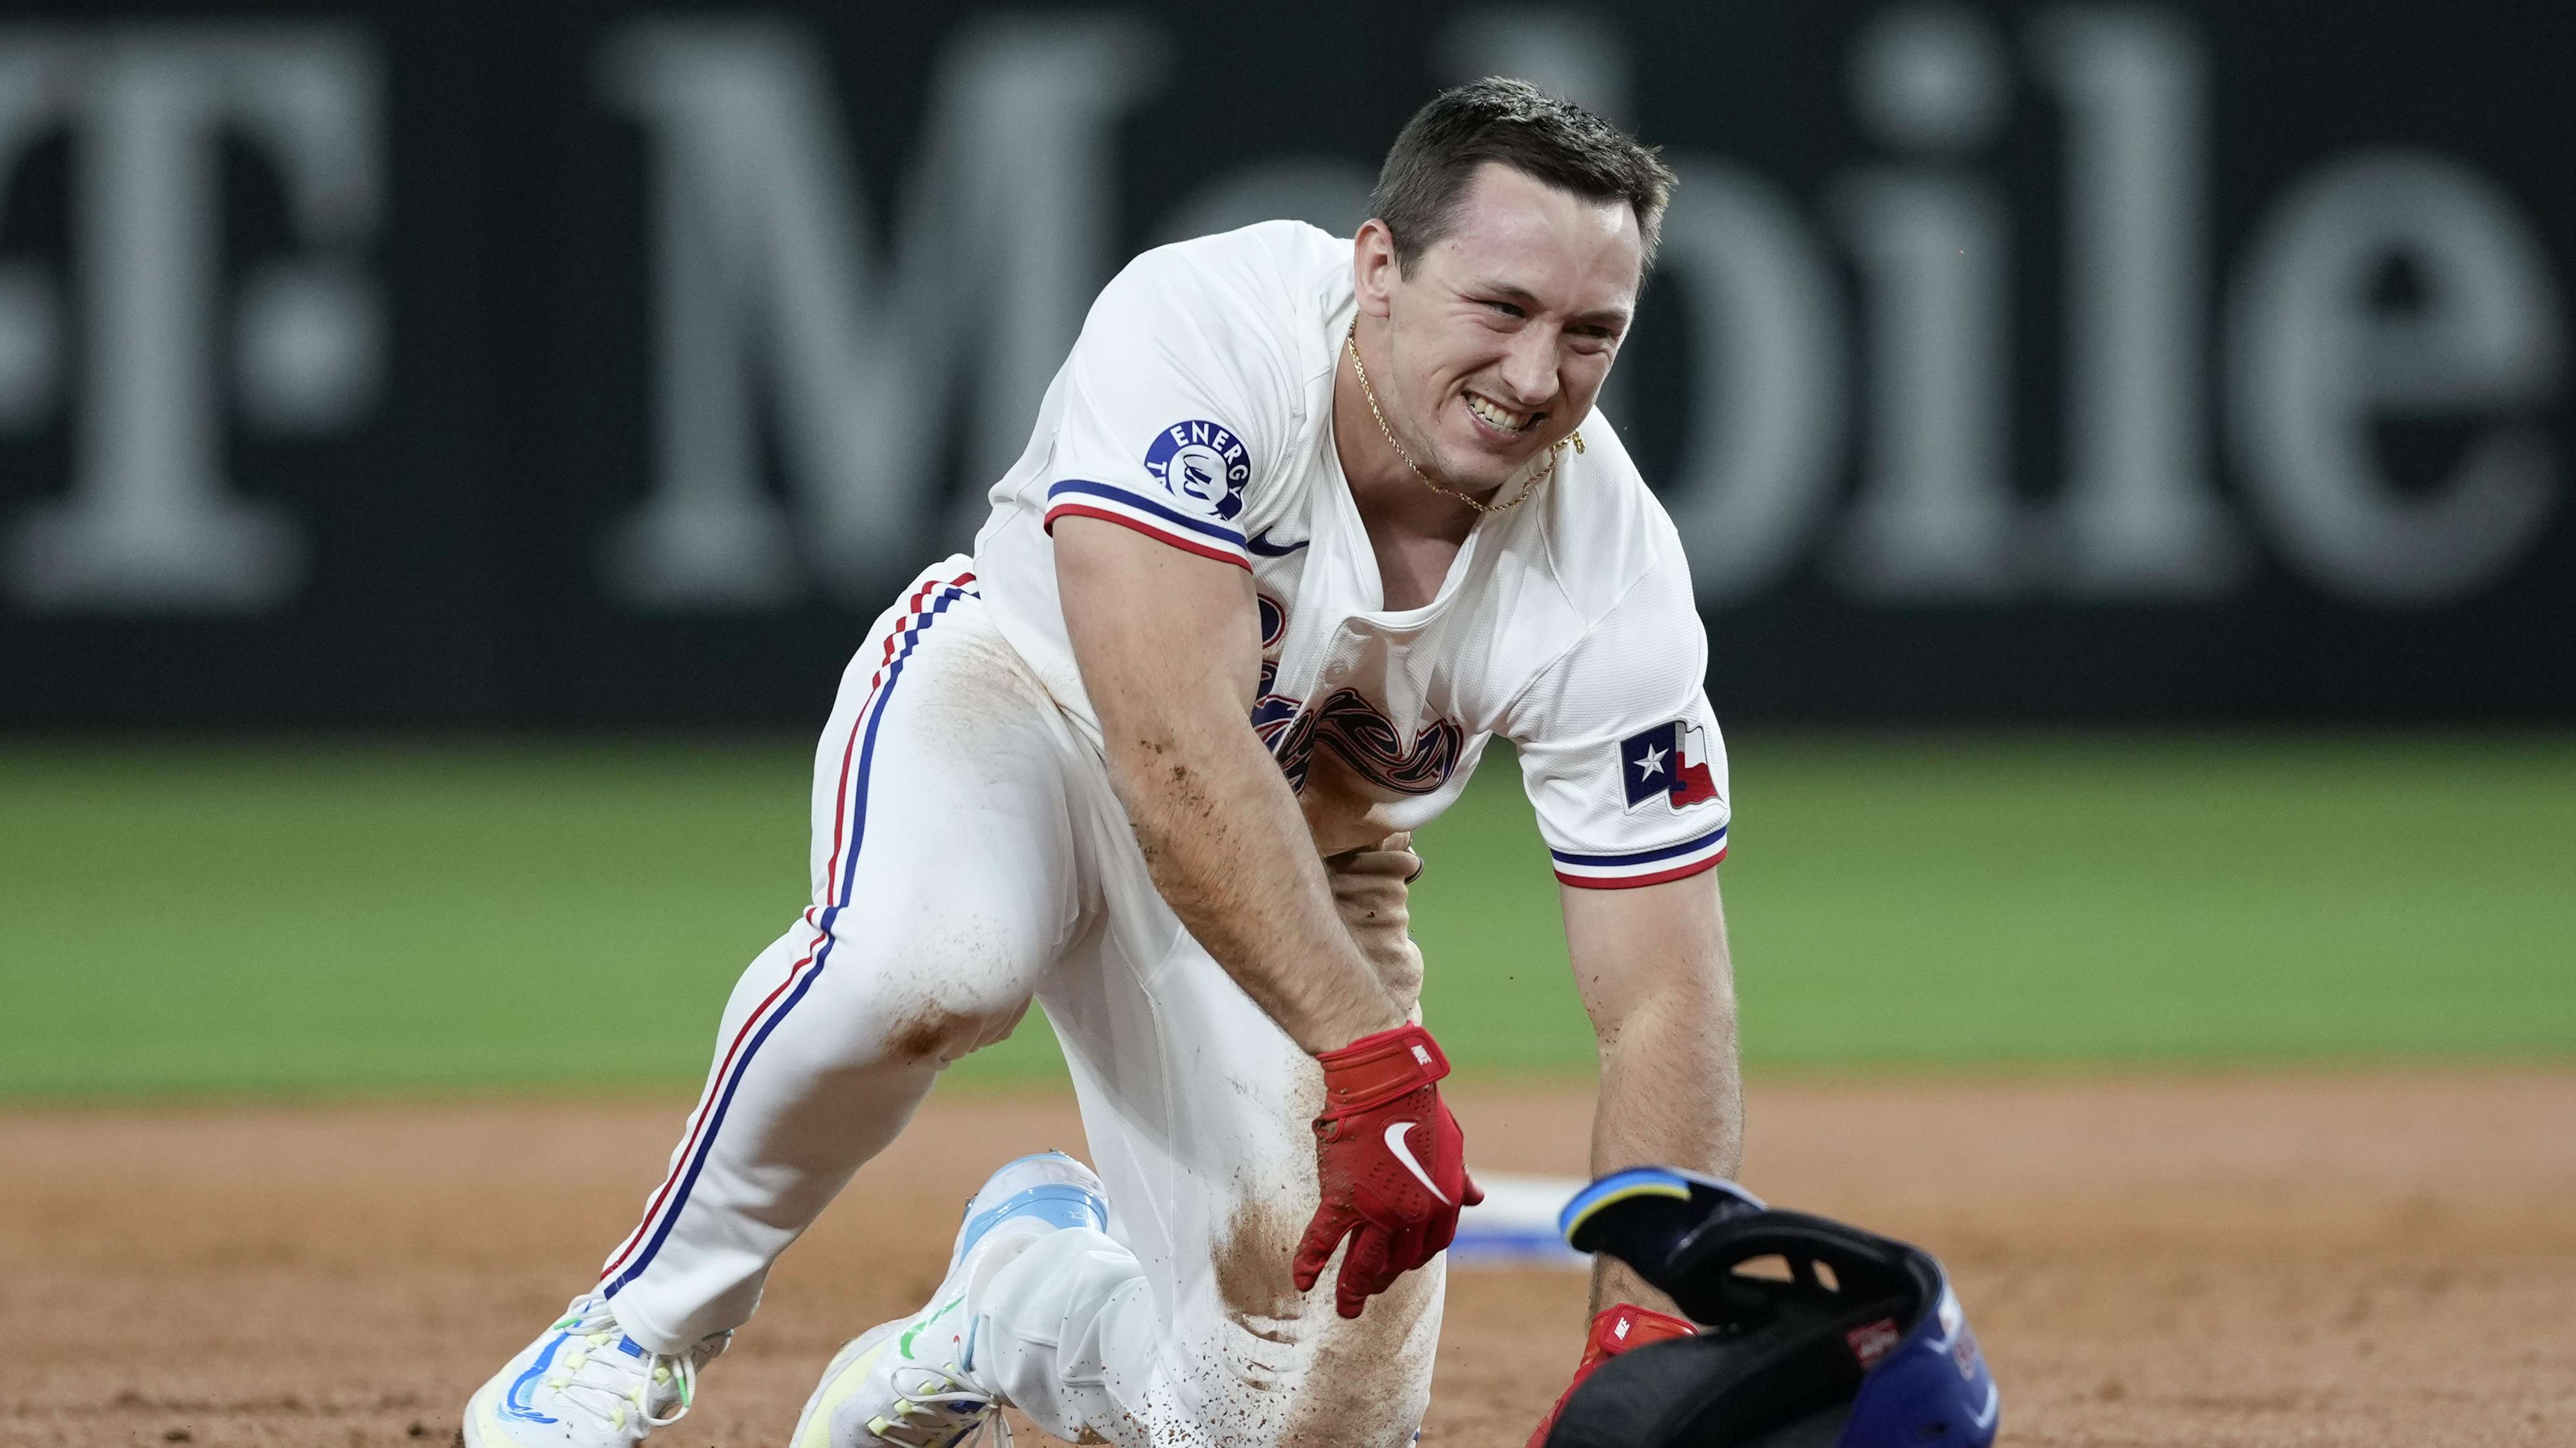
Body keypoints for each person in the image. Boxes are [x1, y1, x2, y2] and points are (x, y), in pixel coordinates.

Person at [461, 77, 1742, 1448]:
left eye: (1591, 334)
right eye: (1501, 308)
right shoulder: (1209, 326)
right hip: (1030, 713)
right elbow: (1168, 740)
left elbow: (1664, 995)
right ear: (1379, 269)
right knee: (925, 963)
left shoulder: (1611, 567)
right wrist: (1375, 1062)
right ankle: (635, 1331)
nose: (1538, 374)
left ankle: (1020, 1305)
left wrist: (1649, 1323)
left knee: (1308, 1416)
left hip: (1306, 870)